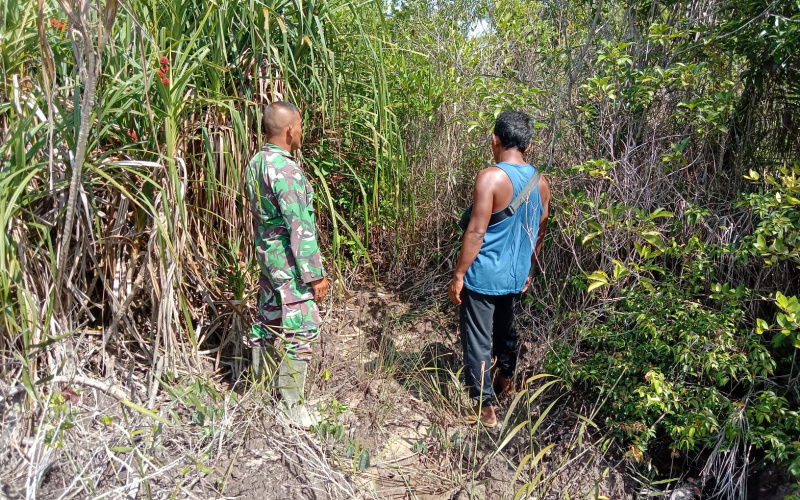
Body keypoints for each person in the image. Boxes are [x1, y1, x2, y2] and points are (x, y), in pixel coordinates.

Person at [448, 110, 551, 427]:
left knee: (478, 340)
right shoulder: (541, 183)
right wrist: (529, 270)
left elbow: (477, 231)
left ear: (495, 139)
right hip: (516, 276)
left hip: (484, 275)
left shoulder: (490, 177)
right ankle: (506, 377)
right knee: (506, 329)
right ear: (528, 146)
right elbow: (540, 232)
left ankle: (484, 408)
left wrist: (459, 274)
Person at [245, 101, 329, 429]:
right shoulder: (286, 169)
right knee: (304, 326)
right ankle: (291, 407)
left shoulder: (255, 163)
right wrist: (315, 276)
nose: (302, 132)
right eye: (301, 126)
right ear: (290, 130)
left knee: (266, 319)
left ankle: (257, 389)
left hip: (267, 259)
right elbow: (300, 227)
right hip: (287, 264)